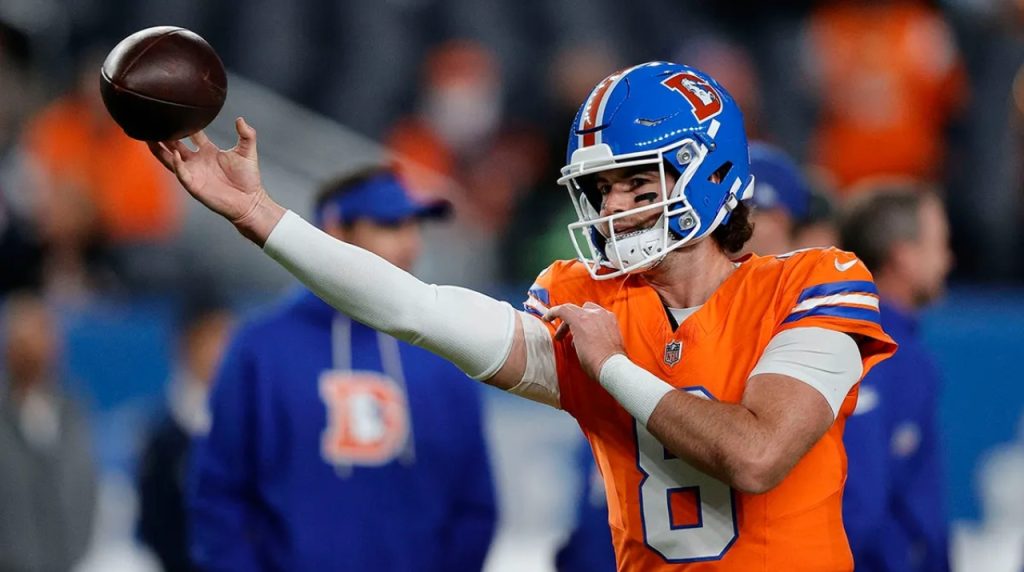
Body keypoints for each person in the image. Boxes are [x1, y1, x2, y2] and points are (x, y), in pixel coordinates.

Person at [150, 61, 897, 570]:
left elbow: (756, 455)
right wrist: (261, 215)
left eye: (637, 183)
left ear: (714, 173)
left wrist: (611, 367)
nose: (614, 208)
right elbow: (419, 309)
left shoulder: (813, 281)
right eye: (602, 189)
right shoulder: (591, 297)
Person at [185, 167, 497, 572]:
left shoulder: (446, 347)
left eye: (415, 226)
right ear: (335, 229)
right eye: (389, 225)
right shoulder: (260, 349)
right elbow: (218, 495)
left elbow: (473, 503)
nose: (410, 243)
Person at [838, 183, 953, 572]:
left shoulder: (856, 334)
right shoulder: (880, 347)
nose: (948, 260)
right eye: (939, 244)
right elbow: (860, 503)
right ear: (903, 257)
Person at [0, 291, 98, 571]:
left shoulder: (73, 412)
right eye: (22, 340)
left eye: (41, 336)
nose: (32, 350)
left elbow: (85, 490)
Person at [136, 303, 234, 572]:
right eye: (210, 338)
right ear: (186, 344)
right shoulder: (164, 434)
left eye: (225, 338)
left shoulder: (248, 422)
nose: (220, 351)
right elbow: (153, 523)